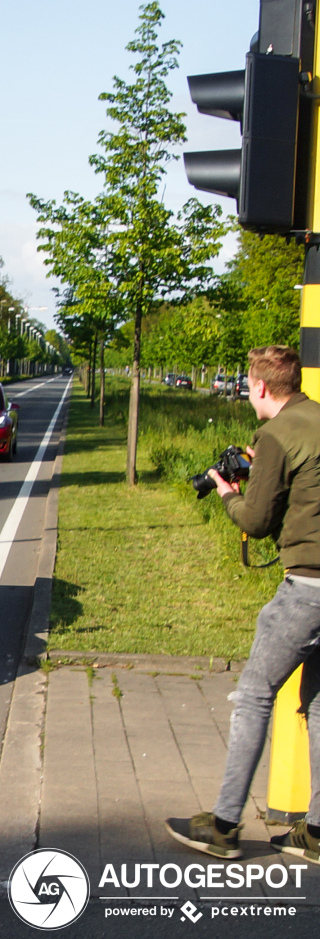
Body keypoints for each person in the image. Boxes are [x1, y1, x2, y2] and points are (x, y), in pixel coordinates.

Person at [165, 346, 320, 863]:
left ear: (259, 387)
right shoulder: (314, 418)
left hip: (309, 588)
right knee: (318, 702)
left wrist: (227, 491)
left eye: (249, 386)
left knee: (255, 694)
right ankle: (316, 832)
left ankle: (225, 825)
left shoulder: (276, 434)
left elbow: (255, 521)